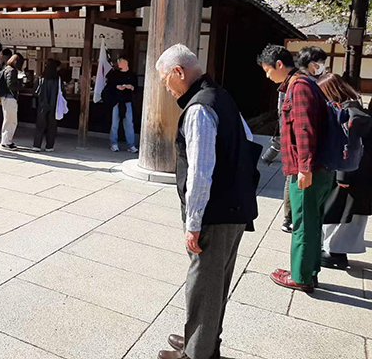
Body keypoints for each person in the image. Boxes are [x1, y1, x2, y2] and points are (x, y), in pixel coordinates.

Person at [155, 45, 260, 359]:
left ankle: (197, 353)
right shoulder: (221, 95)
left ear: (179, 72)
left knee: (203, 285)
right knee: (216, 284)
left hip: (216, 213)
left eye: (165, 79)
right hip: (236, 208)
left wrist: (193, 223)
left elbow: (200, 172)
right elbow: (250, 141)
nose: (165, 87)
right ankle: (200, 341)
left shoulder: (199, 108)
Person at [257, 44, 332, 292]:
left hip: (309, 169)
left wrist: (304, 167)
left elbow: (304, 130)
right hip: (315, 168)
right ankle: (308, 271)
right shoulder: (302, 83)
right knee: (311, 220)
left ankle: (300, 277)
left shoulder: (299, 87)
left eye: (267, 71)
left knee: (302, 222)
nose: (267, 76)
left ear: (279, 65)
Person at [318, 74, 372, 269]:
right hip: (359, 171)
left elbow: (352, 145)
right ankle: (334, 249)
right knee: (345, 211)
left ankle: (334, 251)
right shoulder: (354, 107)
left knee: (340, 211)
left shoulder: (349, 112)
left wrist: (343, 174)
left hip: (351, 172)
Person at [106, 55, 138, 153]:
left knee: (129, 124)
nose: (119, 63)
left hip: (127, 101)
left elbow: (136, 88)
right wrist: (117, 87)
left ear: (126, 62)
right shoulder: (114, 74)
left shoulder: (132, 75)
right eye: (118, 61)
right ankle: (113, 143)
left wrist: (131, 87)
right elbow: (109, 86)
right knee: (114, 124)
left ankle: (131, 145)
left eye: (121, 61)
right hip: (116, 101)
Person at [33, 59, 61, 152]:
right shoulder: (58, 80)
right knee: (52, 127)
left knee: (40, 126)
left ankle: (36, 145)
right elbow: (62, 93)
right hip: (54, 106)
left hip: (42, 105)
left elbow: (35, 92)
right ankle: (49, 146)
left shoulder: (40, 78)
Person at [0, 53, 25, 149]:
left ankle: (5, 140)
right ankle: (7, 142)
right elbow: (11, 85)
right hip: (10, 98)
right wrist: (20, 83)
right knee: (11, 121)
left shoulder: (6, 68)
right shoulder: (12, 71)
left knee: (7, 120)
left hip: (6, 97)